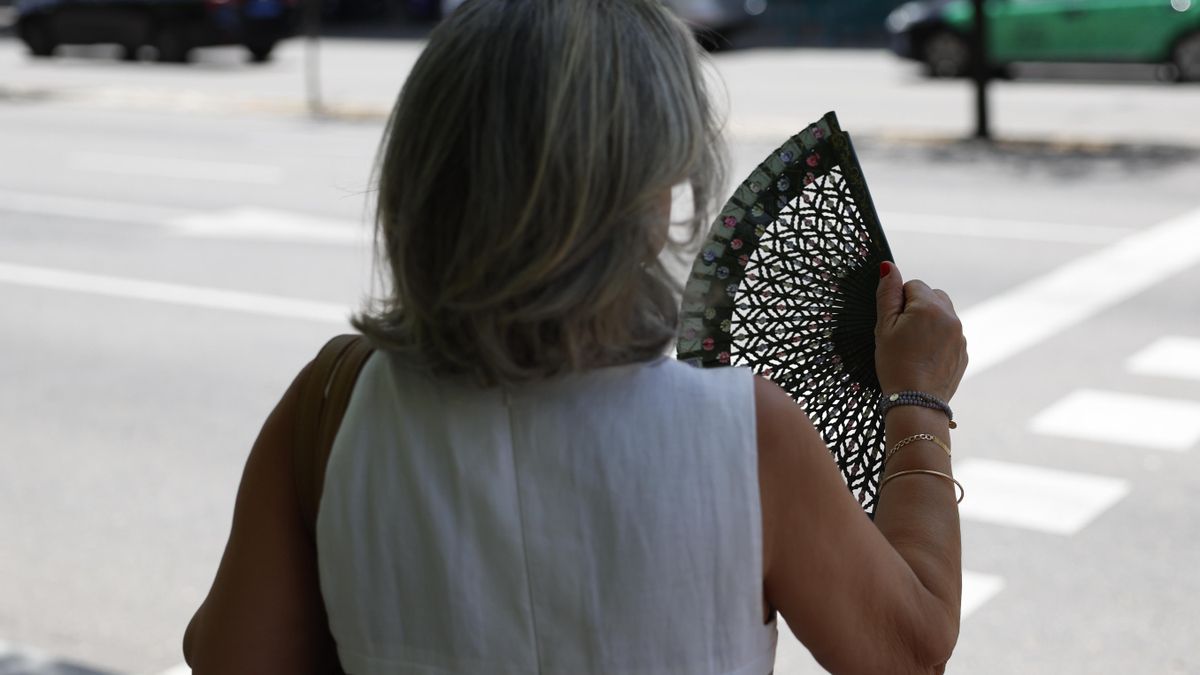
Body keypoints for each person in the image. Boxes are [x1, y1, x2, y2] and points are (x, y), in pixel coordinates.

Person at [181, 0, 969, 673]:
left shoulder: (330, 404)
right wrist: (919, 402)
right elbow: (907, 648)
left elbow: (229, 655)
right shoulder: (742, 435)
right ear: (651, 195)